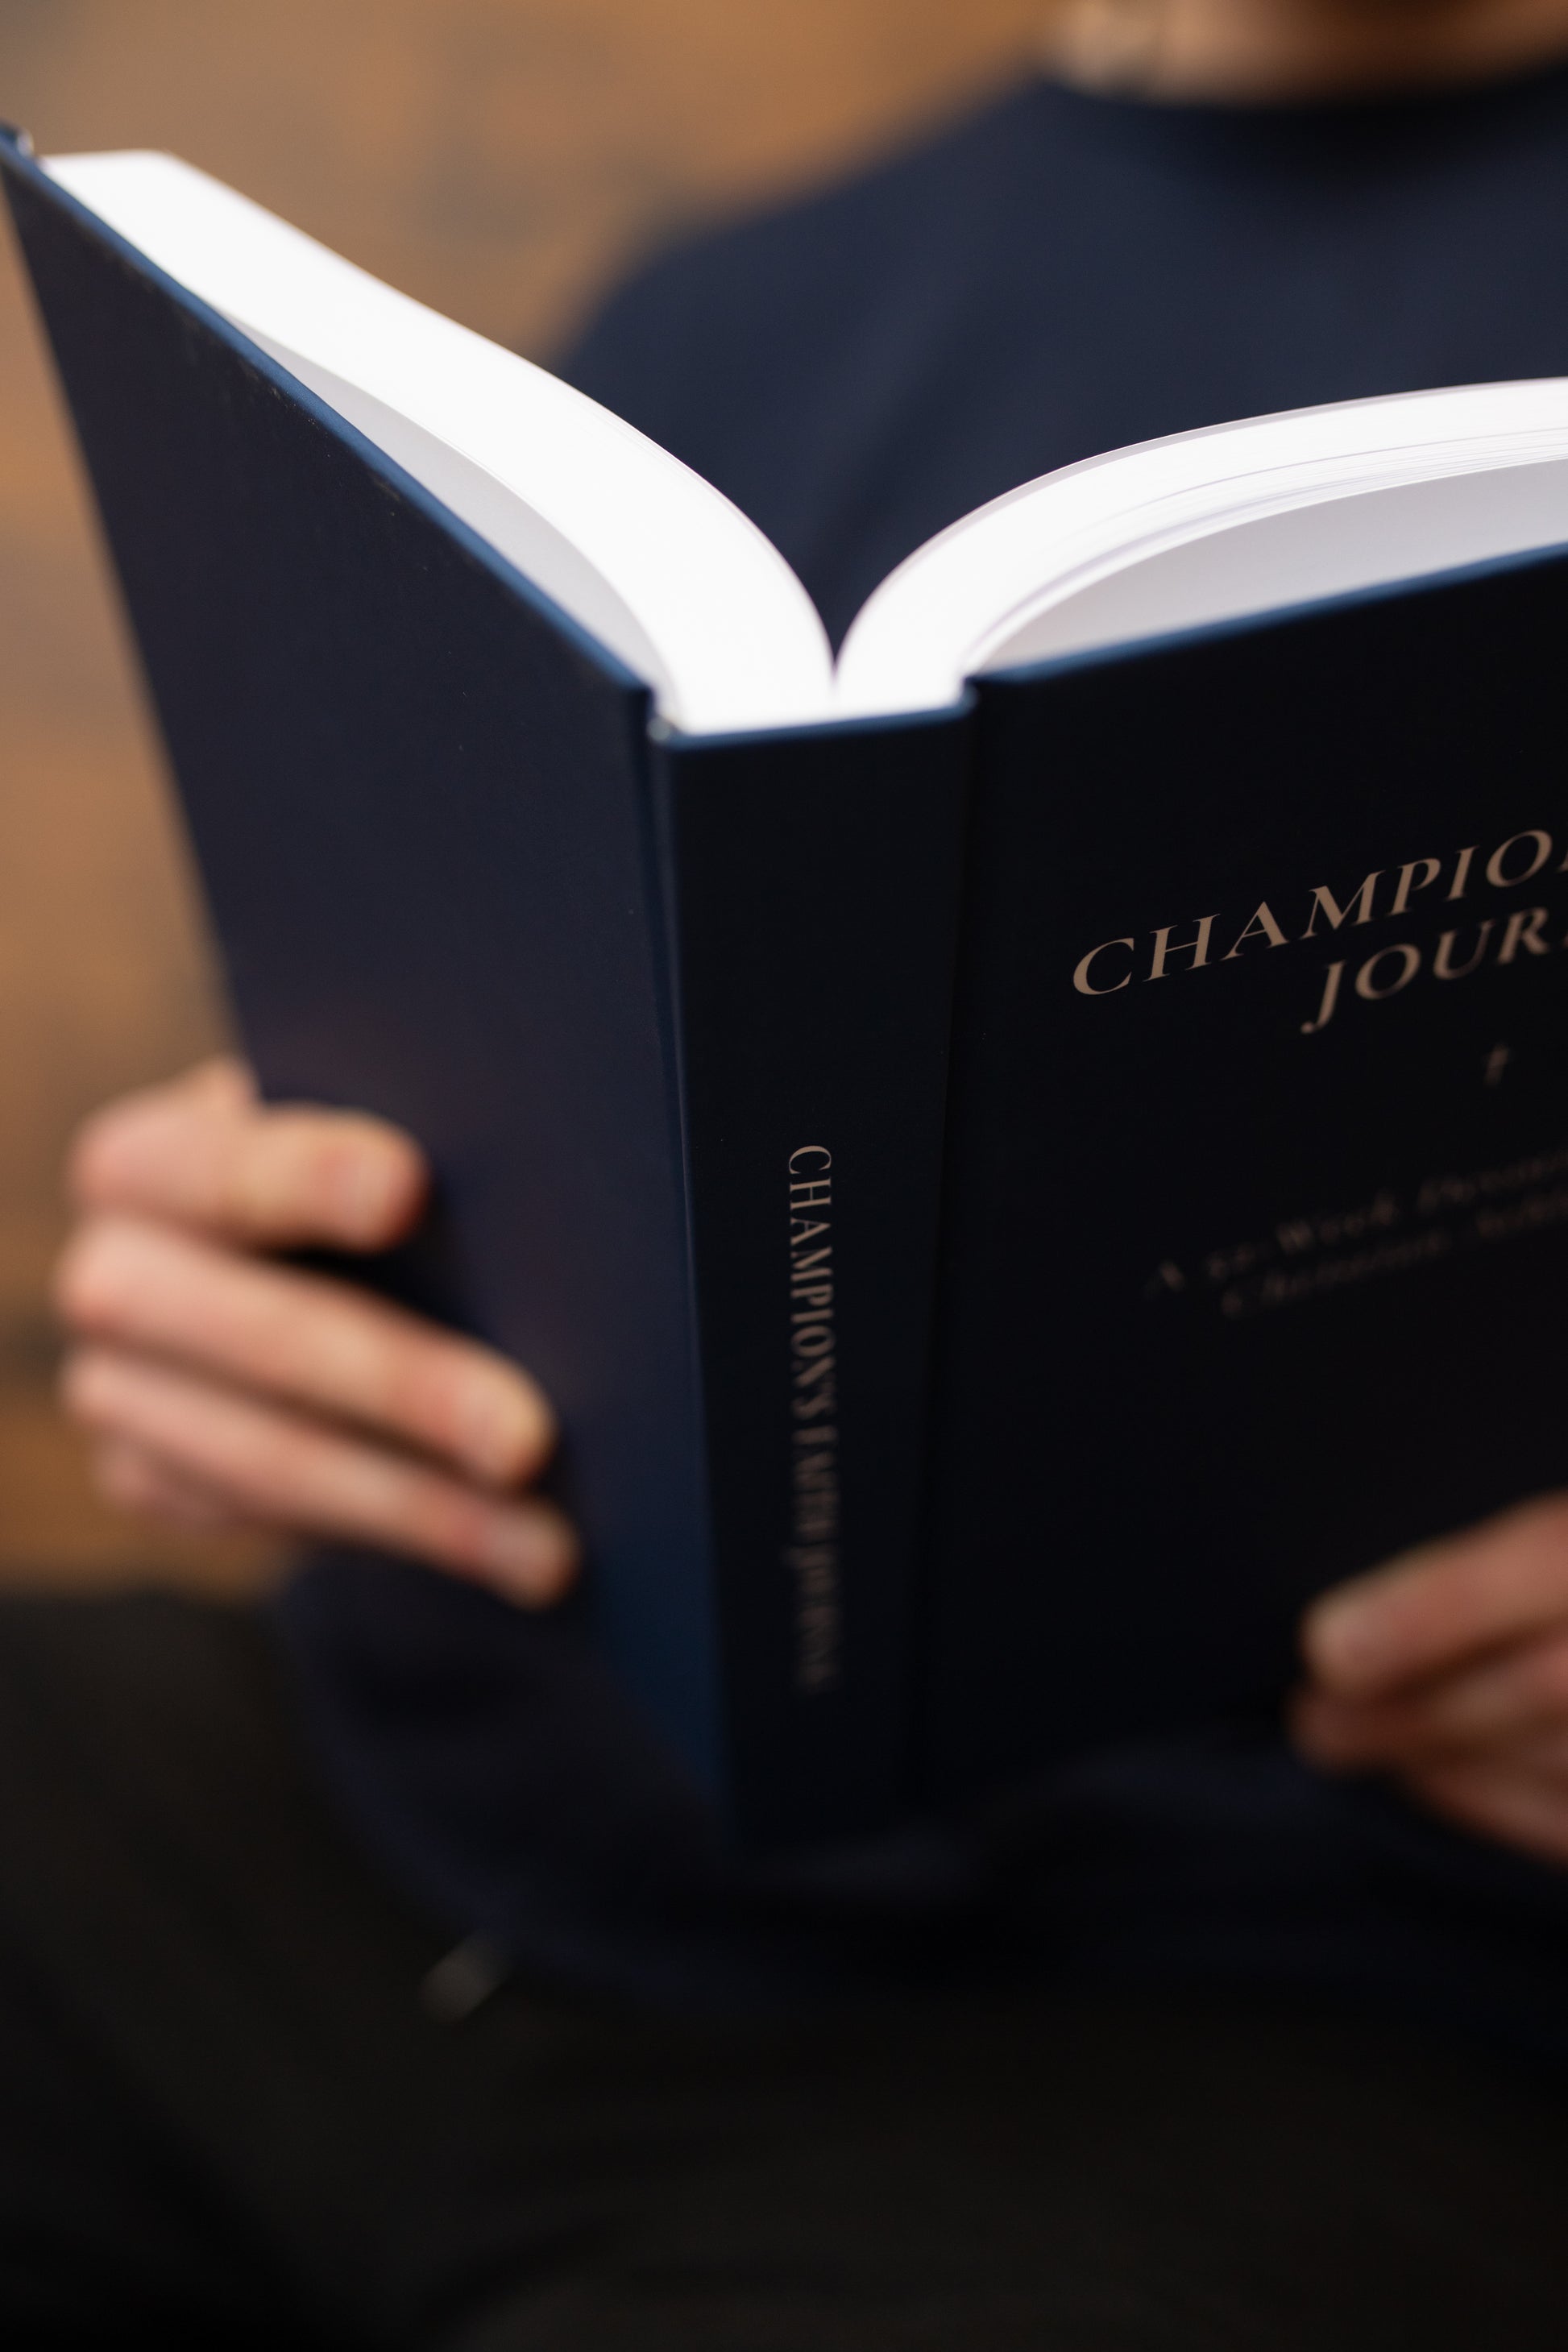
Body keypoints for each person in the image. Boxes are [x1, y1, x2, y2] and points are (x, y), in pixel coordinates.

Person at [21, 0, 1568, 2340]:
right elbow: (441, 1098)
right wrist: (231, 1280)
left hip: (1223, 2032)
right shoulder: (711, 319)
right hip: (338, 1809)